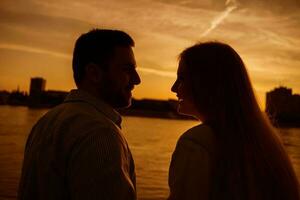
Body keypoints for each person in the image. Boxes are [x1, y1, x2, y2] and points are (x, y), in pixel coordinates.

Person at [18, 29, 141, 200]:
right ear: (94, 74)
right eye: (127, 70)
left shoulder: (47, 121)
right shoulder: (100, 132)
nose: (137, 79)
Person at [168, 41, 299, 200]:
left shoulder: (195, 143)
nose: (174, 88)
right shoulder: (267, 144)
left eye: (181, 79)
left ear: (207, 83)